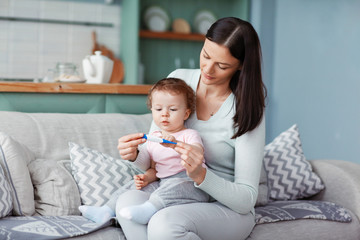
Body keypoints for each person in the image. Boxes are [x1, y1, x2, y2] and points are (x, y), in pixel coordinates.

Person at [115, 17, 267, 240]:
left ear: (241, 65)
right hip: (175, 193)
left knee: (163, 224)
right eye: (205, 55)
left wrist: (201, 175)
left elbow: (246, 199)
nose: (208, 69)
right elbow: (154, 157)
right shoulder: (179, 79)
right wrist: (136, 155)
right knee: (126, 203)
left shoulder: (248, 106)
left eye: (222, 65)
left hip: (226, 207)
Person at [79, 78, 209, 225]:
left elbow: (197, 152)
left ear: (186, 114)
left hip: (190, 182)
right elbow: (156, 170)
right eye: (159, 109)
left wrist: (175, 144)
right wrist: (146, 178)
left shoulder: (189, 134)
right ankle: (106, 210)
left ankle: (148, 209)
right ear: (152, 110)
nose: (165, 114)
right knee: (132, 186)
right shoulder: (153, 139)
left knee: (175, 185)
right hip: (163, 182)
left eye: (172, 109)